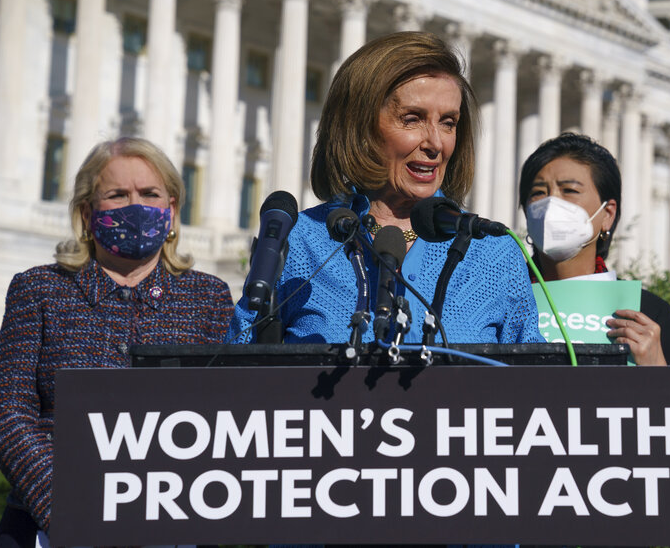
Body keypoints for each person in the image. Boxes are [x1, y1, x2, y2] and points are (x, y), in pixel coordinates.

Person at [0, 138, 234, 546]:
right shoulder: (38, 290)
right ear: (87, 213)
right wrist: (68, 509)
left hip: (169, 523)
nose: (135, 205)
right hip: (47, 526)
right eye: (117, 195)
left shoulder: (209, 298)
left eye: (149, 194)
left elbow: (225, 416)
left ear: (170, 210)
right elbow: (7, 417)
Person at [227, 31, 542, 345]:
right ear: (360, 127)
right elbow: (234, 371)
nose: (435, 143)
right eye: (412, 119)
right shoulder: (300, 242)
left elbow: (534, 382)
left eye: (448, 122)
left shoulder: (494, 252)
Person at [517, 133, 670, 365]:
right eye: (538, 193)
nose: (551, 204)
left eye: (569, 190)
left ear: (607, 214)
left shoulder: (647, 315)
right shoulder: (499, 303)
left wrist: (657, 370)